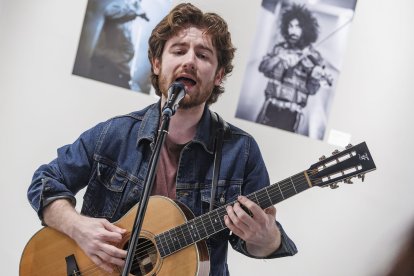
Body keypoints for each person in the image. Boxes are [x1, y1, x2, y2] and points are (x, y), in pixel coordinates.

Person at [27, 3, 297, 275]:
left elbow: (252, 241)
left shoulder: (242, 151)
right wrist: (78, 227)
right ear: (157, 64)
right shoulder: (114, 135)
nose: (189, 61)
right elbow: (44, 182)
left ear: (218, 76)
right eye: (178, 51)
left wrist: (267, 238)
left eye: (202, 55)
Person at [256, 3, 331, 132]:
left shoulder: (314, 57)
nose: (292, 31)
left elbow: (312, 90)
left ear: (306, 29)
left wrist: (314, 77)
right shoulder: (279, 48)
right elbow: (263, 68)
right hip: (270, 106)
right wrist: (280, 57)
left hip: (292, 114)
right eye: (290, 26)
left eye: (297, 27)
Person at [89, 0, 149, 89]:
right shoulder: (117, 6)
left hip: (117, 66)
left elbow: (127, 48)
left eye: (140, 1)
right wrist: (135, 12)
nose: (138, 2)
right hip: (105, 64)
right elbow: (109, 13)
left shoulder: (127, 20)